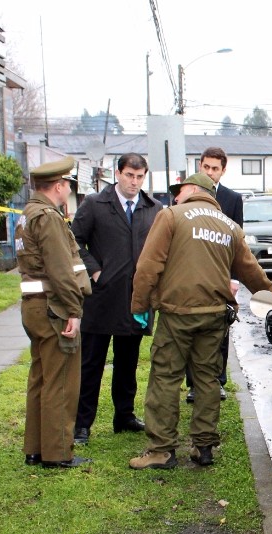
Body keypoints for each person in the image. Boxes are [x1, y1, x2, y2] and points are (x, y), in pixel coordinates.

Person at [129, 173, 272, 470]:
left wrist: (139, 304)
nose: (176, 195)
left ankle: (161, 450)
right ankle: (204, 446)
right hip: (214, 315)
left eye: (179, 190)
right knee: (207, 378)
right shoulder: (230, 227)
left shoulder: (171, 216)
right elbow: (251, 271)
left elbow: (148, 265)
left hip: (177, 314)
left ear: (193, 189)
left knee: (165, 377)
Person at [72, 153, 162, 445]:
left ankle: (124, 415)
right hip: (100, 299)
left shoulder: (154, 209)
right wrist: (95, 271)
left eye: (139, 177)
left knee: (128, 361)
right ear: (118, 173)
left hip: (136, 299)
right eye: (129, 176)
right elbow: (73, 242)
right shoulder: (95, 204)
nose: (134, 182)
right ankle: (82, 423)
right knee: (91, 364)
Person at [14, 157, 93, 469]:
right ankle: (58, 452)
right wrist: (74, 310)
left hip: (34, 307)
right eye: (67, 185)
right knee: (61, 380)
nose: (68, 190)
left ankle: (36, 448)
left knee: (41, 378)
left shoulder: (28, 214)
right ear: (59, 185)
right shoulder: (48, 217)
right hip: (53, 307)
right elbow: (61, 270)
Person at [185, 147, 244, 405]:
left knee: (220, 328)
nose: (209, 172)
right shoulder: (187, 195)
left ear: (223, 170)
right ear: (200, 166)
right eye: (206, 167)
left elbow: (237, 242)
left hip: (221, 274)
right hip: (193, 273)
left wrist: (234, 279)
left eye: (214, 168)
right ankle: (193, 384)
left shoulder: (232, 199)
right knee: (191, 329)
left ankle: (218, 380)